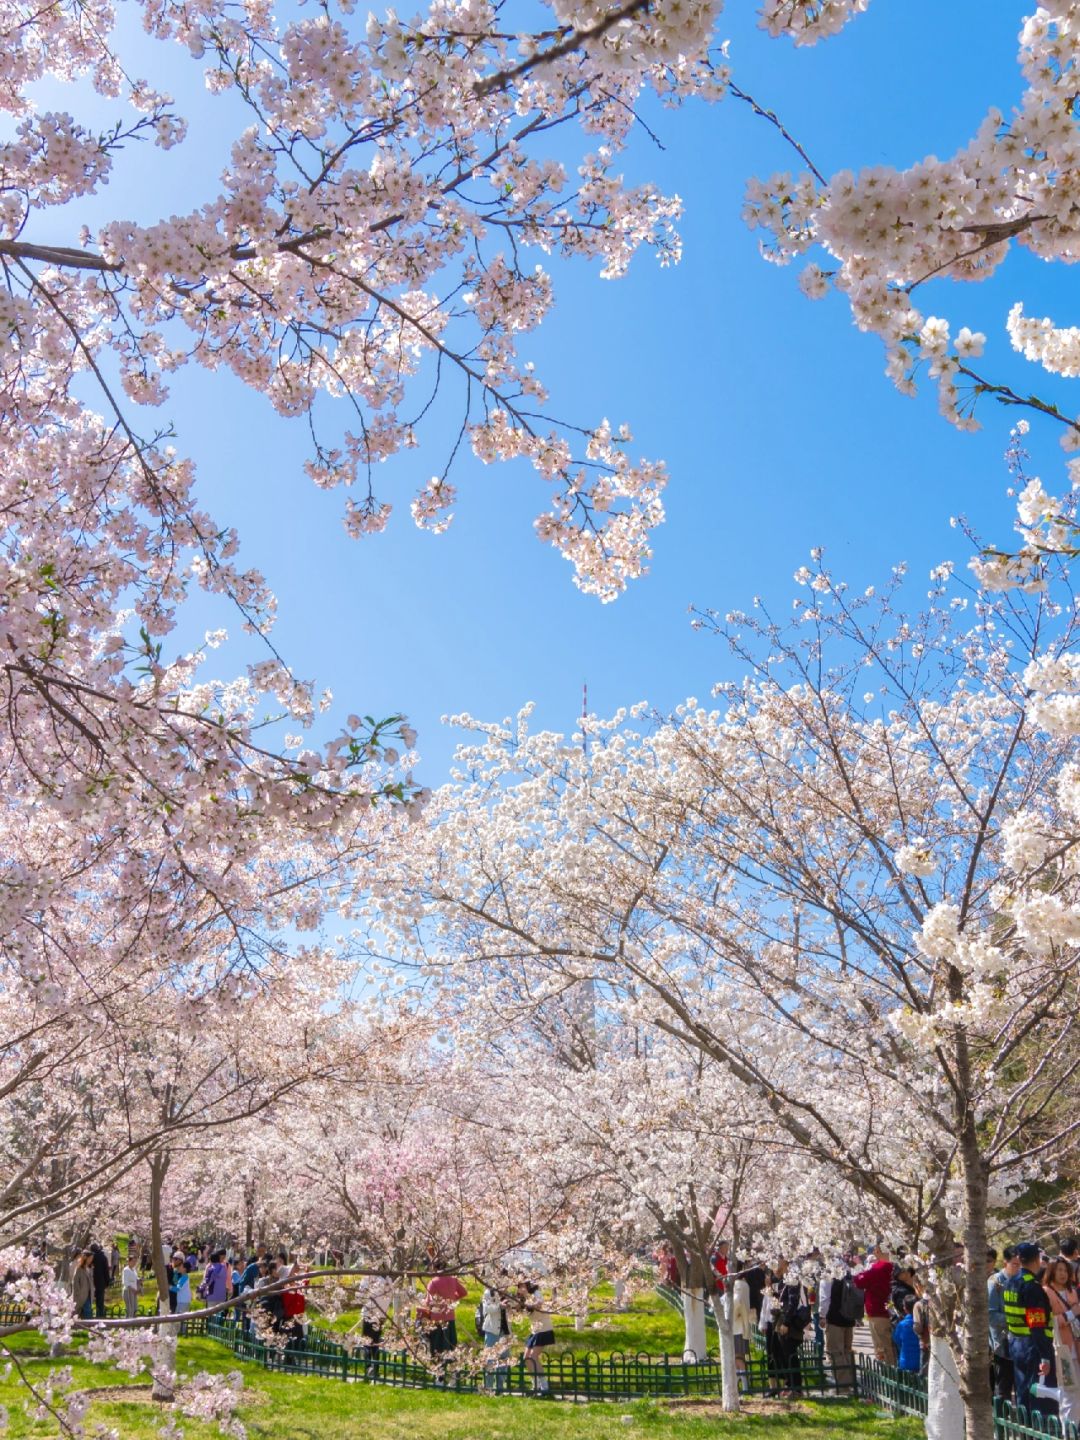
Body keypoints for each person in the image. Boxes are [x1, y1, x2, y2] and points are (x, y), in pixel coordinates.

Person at [1005, 1241, 1058, 1420]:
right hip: (1033, 1347)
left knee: (1023, 1392)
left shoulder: (1011, 1282)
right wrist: (1044, 1356)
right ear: (1036, 1259)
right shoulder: (1032, 1287)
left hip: (1016, 1344)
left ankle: (1026, 1433)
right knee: (1040, 1397)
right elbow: (1037, 1325)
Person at [1044, 1256, 1080, 1425]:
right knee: (1069, 1390)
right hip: (1062, 1349)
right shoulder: (1047, 1292)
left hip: (1077, 1345)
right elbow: (1049, 1321)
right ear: (1052, 1271)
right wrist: (1071, 1314)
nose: (1063, 1274)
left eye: (1065, 1270)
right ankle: (1068, 1429)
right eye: (1059, 1270)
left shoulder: (1072, 1290)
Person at [854, 1243, 897, 1366]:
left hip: (878, 1312)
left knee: (882, 1346)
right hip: (894, 1310)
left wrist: (859, 1267)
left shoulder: (879, 1267)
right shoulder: (896, 1266)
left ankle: (889, 1373)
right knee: (893, 1345)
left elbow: (859, 1281)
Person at [819, 1262, 857, 1392]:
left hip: (834, 1318)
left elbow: (825, 1299)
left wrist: (822, 1315)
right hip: (848, 1317)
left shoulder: (828, 1274)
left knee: (835, 1351)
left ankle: (843, 1386)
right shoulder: (848, 1271)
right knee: (847, 1350)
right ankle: (851, 1381)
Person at [990, 1246, 1021, 1401]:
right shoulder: (995, 1282)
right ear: (1005, 1263)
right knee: (1004, 1385)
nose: (1018, 1268)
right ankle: (1003, 1421)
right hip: (1002, 1343)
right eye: (1015, 1264)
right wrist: (1014, 1319)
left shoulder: (1021, 1281)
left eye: (1020, 1264)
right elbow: (991, 1315)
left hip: (1020, 1339)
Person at [522, 1281, 555, 1395]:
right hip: (535, 1329)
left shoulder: (536, 1293)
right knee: (526, 1357)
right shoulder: (523, 1298)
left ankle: (544, 1386)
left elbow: (539, 1303)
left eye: (522, 1286)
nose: (520, 1289)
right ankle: (535, 1384)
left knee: (533, 1356)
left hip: (543, 1328)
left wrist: (530, 1304)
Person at [424, 1268, 468, 1351]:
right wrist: (453, 1299)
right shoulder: (453, 1280)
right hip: (450, 1316)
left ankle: (437, 1361)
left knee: (437, 1347)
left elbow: (428, 1302)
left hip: (437, 1318)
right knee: (450, 1344)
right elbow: (464, 1292)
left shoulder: (433, 1282)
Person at [481, 1281, 510, 1393]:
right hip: (492, 1330)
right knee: (490, 1359)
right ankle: (488, 1387)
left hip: (505, 1331)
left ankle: (500, 1387)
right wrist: (499, 1306)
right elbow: (486, 1309)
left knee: (504, 1359)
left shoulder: (509, 1295)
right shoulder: (489, 1293)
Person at [894, 1296, 922, 1372]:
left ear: (905, 1308)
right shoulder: (923, 1324)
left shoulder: (902, 1325)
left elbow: (897, 1340)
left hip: (905, 1362)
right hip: (920, 1361)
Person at [89, 1243, 110, 1320]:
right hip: (101, 1281)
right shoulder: (103, 1257)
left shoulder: (92, 1257)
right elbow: (106, 1271)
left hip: (92, 1281)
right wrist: (107, 1282)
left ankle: (90, 1315)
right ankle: (100, 1315)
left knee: (90, 1299)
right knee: (100, 1300)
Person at [71, 1250, 93, 1320]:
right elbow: (75, 1283)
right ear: (85, 1258)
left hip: (88, 1295)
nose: (91, 1260)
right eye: (90, 1258)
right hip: (81, 1295)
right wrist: (78, 1294)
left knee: (87, 1312)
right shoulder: (78, 1269)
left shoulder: (88, 1269)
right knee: (86, 1312)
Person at [174, 1256, 192, 1333]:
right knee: (182, 1317)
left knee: (180, 1317)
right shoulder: (183, 1277)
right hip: (183, 1300)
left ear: (184, 1268)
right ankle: (181, 1331)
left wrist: (168, 1287)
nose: (179, 1267)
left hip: (183, 1301)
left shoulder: (184, 1277)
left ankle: (181, 1331)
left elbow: (177, 1288)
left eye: (181, 1266)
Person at [121, 1253, 141, 1319]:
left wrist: (139, 1280)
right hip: (128, 1291)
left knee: (135, 1307)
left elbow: (135, 1279)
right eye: (133, 1261)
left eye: (135, 1261)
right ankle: (127, 1324)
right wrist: (132, 1289)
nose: (134, 1263)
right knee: (130, 1308)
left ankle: (133, 1322)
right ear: (129, 1261)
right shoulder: (126, 1270)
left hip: (134, 1292)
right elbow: (125, 1282)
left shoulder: (134, 1270)